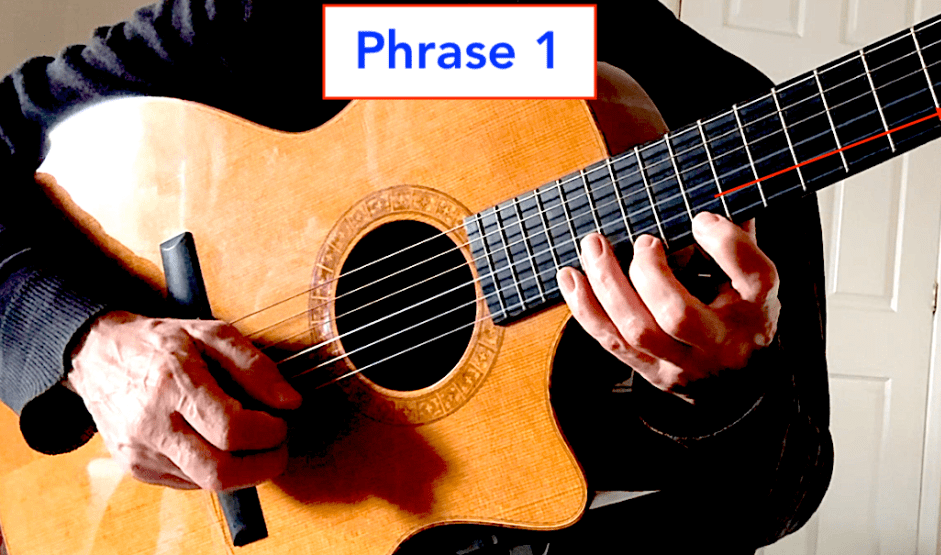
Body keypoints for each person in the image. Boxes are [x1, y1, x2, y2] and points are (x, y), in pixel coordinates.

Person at [0, 0, 833, 553]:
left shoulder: (724, 110)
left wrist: (721, 388)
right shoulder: (289, 18)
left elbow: (783, 491)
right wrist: (87, 340)